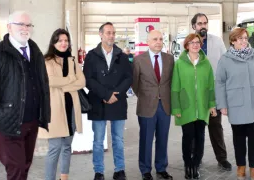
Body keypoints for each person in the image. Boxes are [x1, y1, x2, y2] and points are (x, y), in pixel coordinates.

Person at [0, 11, 51, 180]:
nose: (25, 28)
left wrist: (43, 114)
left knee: (25, 166)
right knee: (16, 169)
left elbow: (42, 84)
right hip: (8, 123)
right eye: (20, 24)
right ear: (9, 27)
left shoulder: (35, 52)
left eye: (28, 25)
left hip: (32, 122)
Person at [215, 28, 254, 180]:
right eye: (240, 38)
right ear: (233, 41)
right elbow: (220, 83)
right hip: (237, 105)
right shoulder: (225, 60)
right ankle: (241, 167)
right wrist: (222, 104)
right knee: (239, 140)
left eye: (245, 38)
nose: (244, 41)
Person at [83, 22, 133, 180]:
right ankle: (99, 171)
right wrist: (105, 95)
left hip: (117, 102)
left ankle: (120, 169)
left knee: (118, 139)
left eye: (113, 33)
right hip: (98, 102)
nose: (111, 36)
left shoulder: (122, 56)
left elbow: (128, 78)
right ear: (101, 34)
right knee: (98, 140)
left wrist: (115, 95)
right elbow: (88, 79)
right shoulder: (91, 56)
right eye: (108, 33)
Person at [37, 29, 86, 180]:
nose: (64, 43)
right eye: (60, 41)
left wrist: (63, 86)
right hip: (55, 110)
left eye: (66, 40)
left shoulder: (72, 61)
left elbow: (82, 82)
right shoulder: (47, 61)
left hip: (71, 109)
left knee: (67, 146)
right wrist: (70, 79)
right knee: (55, 148)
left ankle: (64, 176)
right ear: (54, 43)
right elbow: (49, 81)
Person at [171, 33, 217, 179]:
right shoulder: (179, 63)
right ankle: (188, 165)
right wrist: (176, 108)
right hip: (186, 108)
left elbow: (211, 86)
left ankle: (196, 165)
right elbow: (175, 87)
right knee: (188, 137)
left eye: (197, 42)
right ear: (187, 45)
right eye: (192, 42)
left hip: (202, 108)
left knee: (200, 137)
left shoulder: (206, 63)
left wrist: (211, 105)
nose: (195, 45)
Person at [190, 13, 232, 170]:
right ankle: (196, 158)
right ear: (194, 26)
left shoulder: (217, 41)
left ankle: (222, 159)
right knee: (195, 128)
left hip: (213, 94)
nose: (203, 26)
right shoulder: (187, 43)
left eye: (205, 23)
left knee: (216, 127)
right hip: (195, 94)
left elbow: (225, 63)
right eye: (200, 23)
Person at [132, 30, 174, 180]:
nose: (158, 42)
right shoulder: (139, 60)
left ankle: (161, 168)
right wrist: (146, 97)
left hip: (165, 106)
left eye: (161, 39)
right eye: (155, 39)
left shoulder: (169, 59)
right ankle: (145, 170)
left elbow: (171, 82)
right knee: (146, 139)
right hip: (146, 106)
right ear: (147, 42)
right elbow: (135, 84)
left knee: (163, 138)